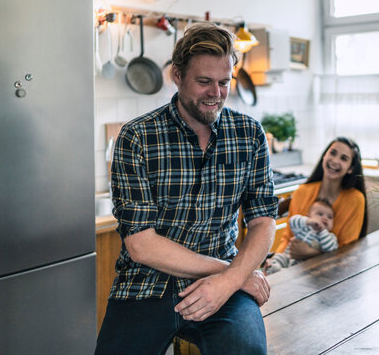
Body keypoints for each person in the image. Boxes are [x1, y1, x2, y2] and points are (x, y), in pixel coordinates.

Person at [95, 23, 278, 355]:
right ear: (177, 76)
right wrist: (235, 273)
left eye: (224, 82)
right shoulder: (137, 137)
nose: (216, 93)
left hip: (224, 289)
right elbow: (142, 246)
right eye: (204, 82)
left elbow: (264, 222)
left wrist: (228, 283)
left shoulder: (249, 134)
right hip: (145, 285)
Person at [266, 137, 367, 268]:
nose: (335, 160)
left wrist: (310, 253)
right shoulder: (301, 192)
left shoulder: (355, 200)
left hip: (331, 273)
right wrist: (274, 261)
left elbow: (347, 251)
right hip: (292, 267)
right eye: (333, 153)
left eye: (344, 158)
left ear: (350, 169)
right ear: (324, 156)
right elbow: (287, 238)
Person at [265, 199, 338, 275]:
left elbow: (330, 250)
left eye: (329, 217)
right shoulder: (304, 227)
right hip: (288, 256)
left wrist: (322, 231)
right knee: (279, 257)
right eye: (320, 214)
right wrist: (309, 221)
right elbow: (292, 221)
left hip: (304, 265)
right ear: (308, 216)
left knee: (302, 270)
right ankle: (274, 269)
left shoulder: (330, 237)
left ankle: (283, 273)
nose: (325, 218)